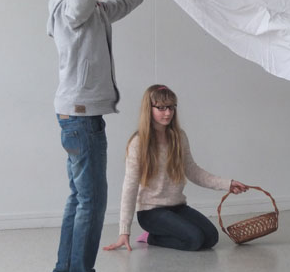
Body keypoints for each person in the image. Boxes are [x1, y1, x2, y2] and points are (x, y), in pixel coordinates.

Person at [47, 0, 155, 272]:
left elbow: (122, 3)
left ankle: (65, 271)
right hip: (81, 118)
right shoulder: (70, 8)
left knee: (79, 197)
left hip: (77, 117)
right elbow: (79, 3)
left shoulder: (95, 11)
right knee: (91, 200)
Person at [103, 84, 248, 253]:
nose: (168, 113)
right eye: (161, 108)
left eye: (171, 107)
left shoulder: (179, 137)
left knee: (211, 238)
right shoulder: (138, 143)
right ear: (149, 109)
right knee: (195, 239)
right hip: (150, 212)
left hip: (177, 207)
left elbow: (193, 171)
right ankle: (151, 237)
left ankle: (164, 233)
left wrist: (227, 184)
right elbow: (130, 187)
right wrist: (124, 231)